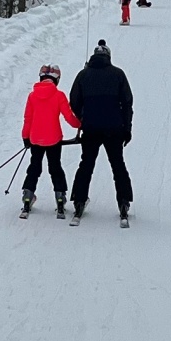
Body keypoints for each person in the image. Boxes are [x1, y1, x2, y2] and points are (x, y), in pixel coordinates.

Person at [69, 38, 134, 225]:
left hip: (90, 127)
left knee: (86, 164)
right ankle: (123, 201)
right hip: (114, 128)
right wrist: (127, 129)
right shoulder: (118, 74)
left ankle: (79, 200)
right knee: (117, 165)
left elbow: (74, 100)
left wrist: (83, 116)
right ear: (108, 57)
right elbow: (128, 103)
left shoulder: (83, 74)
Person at [19, 62, 77, 216]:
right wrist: (80, 125)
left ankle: (27, 196)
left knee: (34, 167)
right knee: (55, 168)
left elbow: (28, 119)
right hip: (54, 139)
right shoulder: (59, 95)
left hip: (35, 138)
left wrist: (25, 137)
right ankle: (60, 198)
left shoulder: (32, 96)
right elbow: (69, 117)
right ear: (56, 79)